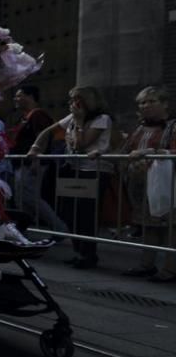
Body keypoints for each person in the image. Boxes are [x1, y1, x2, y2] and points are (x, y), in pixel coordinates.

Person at [28, 85, 113, 269]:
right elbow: (48, 131)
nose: (71, 104)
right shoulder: (72, 118)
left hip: (93, 170)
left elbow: (82, 145)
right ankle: (78, 251)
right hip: (72, 168)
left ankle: (88, 254)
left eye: (75, 100)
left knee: (86, 214)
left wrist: (80, 121)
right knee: (70, 212)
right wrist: (36, 147)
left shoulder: (101, 119)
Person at [117, 86, 176, 281]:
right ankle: (146, 264)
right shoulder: (139, 128)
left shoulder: (172, 126)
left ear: (165, 104)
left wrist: (149, 154)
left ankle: (170, 269)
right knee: (149, 225)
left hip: (165, 184)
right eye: (142, 102)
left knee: (170, 227)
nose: (146, 106)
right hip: (140, 185)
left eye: (152, 101)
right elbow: (125, 151)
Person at [8, 85, 67, 234]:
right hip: (21, 163)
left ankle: (59, 228)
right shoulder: (24, 117)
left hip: (32, 164)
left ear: (30, 97)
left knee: (30, 197)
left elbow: (43, 137)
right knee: (22, 198)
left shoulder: (38, 115)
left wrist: (37, 160)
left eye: (19, 95)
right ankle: (21, 229)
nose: (16, 99)